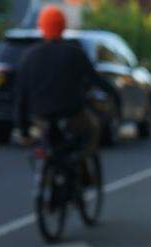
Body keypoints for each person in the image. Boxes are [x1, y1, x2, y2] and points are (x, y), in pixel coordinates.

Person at [14, 5, 119, 153]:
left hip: (40, 115)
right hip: (72, 114)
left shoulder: (29, 56)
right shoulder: (75, 53)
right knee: (93, 128)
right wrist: (113, 93)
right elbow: (96, 80)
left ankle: (43, 168)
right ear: (63, 27)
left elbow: (21, 96)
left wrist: (23, 129)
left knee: (40, 144)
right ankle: (81, 161)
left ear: (42, 27)